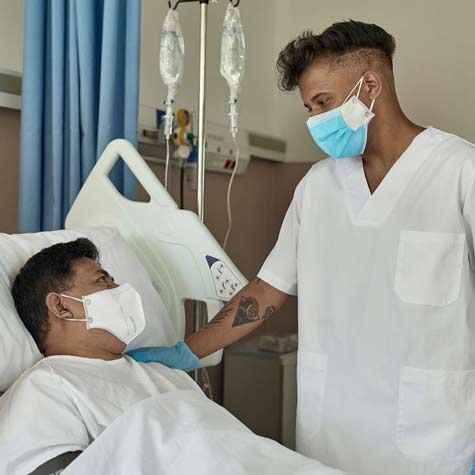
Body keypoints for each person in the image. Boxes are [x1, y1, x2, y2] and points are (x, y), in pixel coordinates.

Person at [126, 20, 475, 475]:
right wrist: (188, 351)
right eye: (310, 108)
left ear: (371, 85)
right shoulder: (318, 188)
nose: (315, 121)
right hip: (330, 433)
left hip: (432, 437)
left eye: (325, 103)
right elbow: (268, 289)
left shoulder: (460, 171)